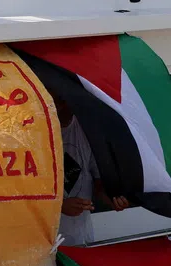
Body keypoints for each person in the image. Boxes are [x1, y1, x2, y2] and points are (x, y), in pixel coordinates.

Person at [54, 95, 129, 246]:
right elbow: (21, 192)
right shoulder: (33, 131)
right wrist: (59, 206)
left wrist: (112, 200)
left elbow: (98, 182)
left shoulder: (87, 131)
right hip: (44, 242)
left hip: (81, 237)